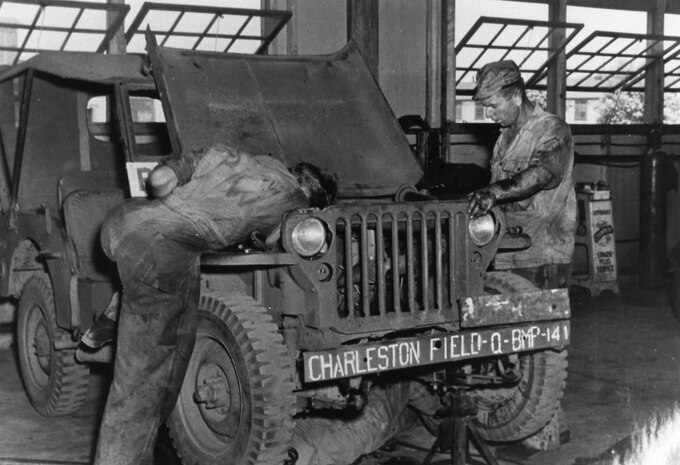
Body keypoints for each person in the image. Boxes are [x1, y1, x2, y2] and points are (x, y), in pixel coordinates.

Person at [92, 143, 338, 465]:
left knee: (171, 366)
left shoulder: (243, 159)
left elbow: (162, 179)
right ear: (311, 197)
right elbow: (276, 244)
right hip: (159, 253)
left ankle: (114, 318)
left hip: (124, 221)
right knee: (143, 389)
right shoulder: (294, 203)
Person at [467, 59, 575, 453]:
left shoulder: (551, 129)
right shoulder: (505, 136)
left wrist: (495, 192)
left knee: (543, 349)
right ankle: (520, 425)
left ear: (515, 94)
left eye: (493, 104)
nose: (488, 112)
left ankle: (543, 432)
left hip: (542, 250)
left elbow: (543, 174)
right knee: (516, 345)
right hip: (509, 249)